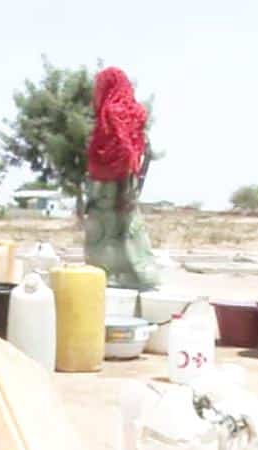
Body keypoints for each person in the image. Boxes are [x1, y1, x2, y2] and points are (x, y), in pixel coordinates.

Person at [83, 67, 159, 290]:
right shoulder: (134, 112)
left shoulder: (112, 112)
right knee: (128, 231)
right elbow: (139, 149)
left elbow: (121, 148)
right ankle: (139, 276)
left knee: (104, 234)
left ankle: (107, 278)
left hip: (109, 183)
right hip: (127, 179)